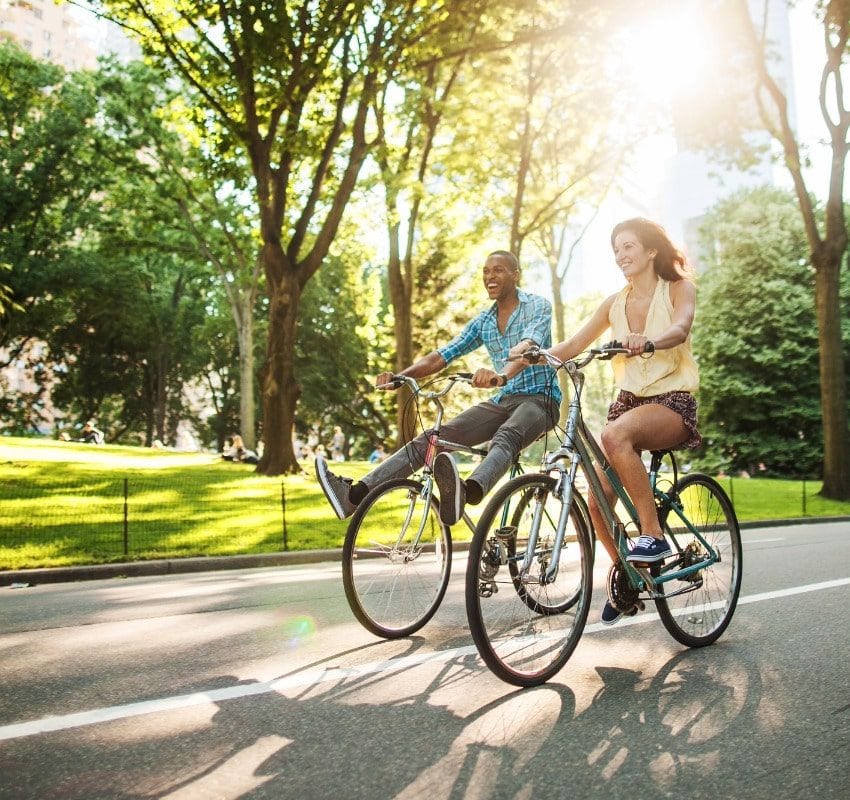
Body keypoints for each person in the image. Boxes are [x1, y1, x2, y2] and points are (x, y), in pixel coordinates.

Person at [315, 250, 561, 525]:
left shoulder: (537, 306)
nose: (490, 276)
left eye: (499, 270)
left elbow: (528, 346)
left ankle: (467, 492)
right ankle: (353, 495)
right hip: (503, 400)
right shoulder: (484, 321)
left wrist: (500, 376)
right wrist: (400, 376)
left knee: (505, 436)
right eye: (486, 271)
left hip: (541, 400)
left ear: (516, 275)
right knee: (432, 439)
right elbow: (442, 356)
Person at [540, 218, 700, 626]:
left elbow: (681, 328)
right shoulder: (614, 302)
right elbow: (574, 344)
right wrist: (530, 356)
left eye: (628, 246)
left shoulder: (679, 289)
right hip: (630, 402)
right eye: (616, 249)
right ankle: (628, 577)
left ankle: (653, 535)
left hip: (672, 402)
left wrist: (648, 341)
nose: (621, 255)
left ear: (650, 251)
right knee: (596, 496)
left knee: (614, 434)